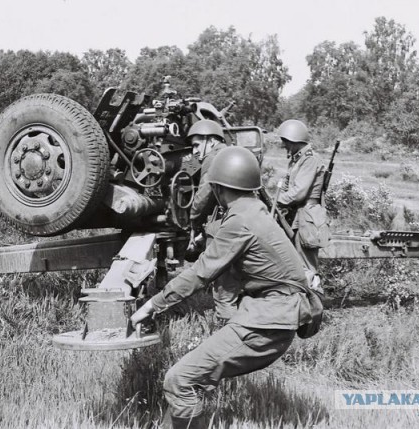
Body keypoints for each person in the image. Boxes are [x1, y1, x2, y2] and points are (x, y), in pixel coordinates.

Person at [130, 146, 312, 429]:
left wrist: (153, 305)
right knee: (190, 379)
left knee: (179, 381)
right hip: (277, 316)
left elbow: (199, 274)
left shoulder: (240, 222)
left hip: (269, 320)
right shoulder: (253, 211)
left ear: (217, 187)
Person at [185, 119, 238, 322]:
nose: (195, 151)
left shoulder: (213, 158)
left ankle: (227, 330)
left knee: (223, 285)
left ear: (212, 141)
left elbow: (203, 196)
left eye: (198, 145)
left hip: (225, 225)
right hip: (242, 222)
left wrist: (193, 222)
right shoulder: (233, 152)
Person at [275, 119, 327, 288]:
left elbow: (299, 192)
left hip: (308, 215)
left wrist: (277, 201)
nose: (284, 145)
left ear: (295, 140)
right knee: (297, 262)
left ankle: (314, 305)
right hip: (299, 214)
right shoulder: (297, 159)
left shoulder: (309, 159)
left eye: (286, 142)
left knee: (307, 265)